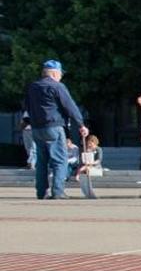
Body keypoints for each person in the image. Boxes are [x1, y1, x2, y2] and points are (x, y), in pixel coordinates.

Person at [22, 59, 90, 200]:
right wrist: (81, 124)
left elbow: (27, 107)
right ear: (54, 73)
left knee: (41, 161)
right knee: (60, 160)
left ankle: (41, 192)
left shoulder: (32, 87)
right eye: (60, 74)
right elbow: (70, 106)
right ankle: (58, 192)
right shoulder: (58, 86)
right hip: (54, 127)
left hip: (36, 128)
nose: (61, 77)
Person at [75, 135, 103, 199]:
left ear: (94, 142)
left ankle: (78, 175)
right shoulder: (86, 149)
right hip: (86, 167)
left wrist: (91, 163)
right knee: (84, 170)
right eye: (88, 143)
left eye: (91, 143)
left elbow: (99, 160)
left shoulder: (98, 149)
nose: (90, 145)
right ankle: (87, 193)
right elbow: (82, 161)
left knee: (84, 168)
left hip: (95, 167)